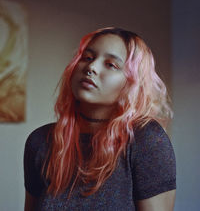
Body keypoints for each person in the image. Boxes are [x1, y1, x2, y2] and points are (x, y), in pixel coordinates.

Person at [24, 27, 176, 211]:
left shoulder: (147, 139)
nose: (91, 67)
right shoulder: (39, 141)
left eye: (111, 64)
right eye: (87, 58)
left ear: (131, 84)